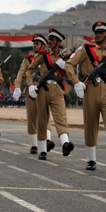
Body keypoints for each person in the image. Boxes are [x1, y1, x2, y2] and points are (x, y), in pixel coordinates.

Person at [65, 21, 106, 170]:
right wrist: (76, 82)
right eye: (96, 32)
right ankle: (91, 159)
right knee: (90, 124)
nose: (97, 35)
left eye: (101, 32)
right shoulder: (86, 50)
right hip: (91, 90)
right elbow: (69, 64)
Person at [25, 28, 75, 161]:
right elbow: (30, 70)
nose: (49, 42)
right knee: (43, 120)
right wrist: (30, 85)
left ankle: (65, 143)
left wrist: (65, 67)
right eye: (49, 39)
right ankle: (42, 150)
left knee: (61, 117)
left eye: (52, 40)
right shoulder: (43, 55)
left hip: (57, 90)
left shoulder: (64, 58)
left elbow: (70, 74)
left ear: (59, 42)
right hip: (43, 90)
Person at [12, 34, 55, 154]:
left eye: (37, 43)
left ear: (43, 45)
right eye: (34, 43)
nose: (34, 45)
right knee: (32, 117)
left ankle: (47, 140)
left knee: (45, 117)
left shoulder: (49, 58)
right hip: (30, 91)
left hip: (44, 89)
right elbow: (21, 74)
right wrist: (17, 87)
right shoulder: (28, 60)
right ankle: (34, 145)